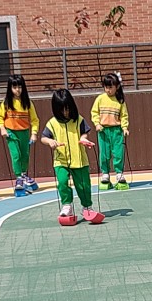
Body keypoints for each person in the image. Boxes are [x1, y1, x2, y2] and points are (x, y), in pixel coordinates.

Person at [40, 88, 104, 224]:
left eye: (68, 109)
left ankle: (87, 207)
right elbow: (44, 138)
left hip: (79, 159)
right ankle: (67, 205)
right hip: (61, 160)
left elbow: (84, 132)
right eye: (62, 110)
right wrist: (50, 141)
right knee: (63, 182)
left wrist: (84, 139)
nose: (66, 112)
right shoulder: (52, 123)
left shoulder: (79, 120)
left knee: (83, 185)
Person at [0, 74, 40, 194]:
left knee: (25, 155)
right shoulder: (6, 103)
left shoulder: (28, 103)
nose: (17, 90)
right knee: (16, 155)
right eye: (14, 87)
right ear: (10, 88)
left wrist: (34, 133)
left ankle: (24, 174)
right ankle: (18, 177)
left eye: (20, 87)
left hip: (24, 132)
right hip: (11, 132)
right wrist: (2, 129)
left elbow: (34, 120)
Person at [91, 72, 130, 189]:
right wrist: (97, 124)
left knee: (118, 153)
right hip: (103, 131)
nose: (108, 90)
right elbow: (94, 112)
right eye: (106, 87)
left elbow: (124, 116)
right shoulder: (100, 99)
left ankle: (119, 173)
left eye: (110, 87)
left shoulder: (120, 100)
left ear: (117, 87)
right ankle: (105, 174)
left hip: (117, 131)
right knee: (104, 153)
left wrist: (124, 128)